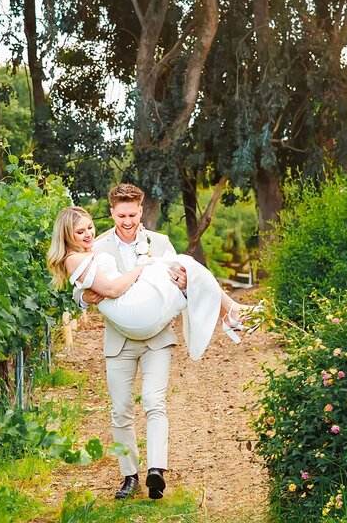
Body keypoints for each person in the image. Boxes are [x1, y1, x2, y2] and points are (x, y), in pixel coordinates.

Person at [45, 185, 258, 501]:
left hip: (156, 336)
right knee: (121, 411)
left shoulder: (160, 243)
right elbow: (80, 287)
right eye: (121, 216)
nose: (127, 221)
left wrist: (185, 282)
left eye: (133, 215)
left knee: (154, 402)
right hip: (120, 339)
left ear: (141, 211)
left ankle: (156, 470)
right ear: (112, 211)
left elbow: (179, 280)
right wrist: (83, 298)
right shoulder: (96, 243)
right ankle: (129, 476)